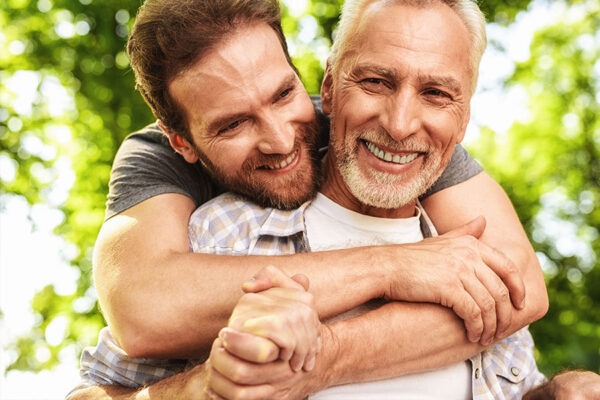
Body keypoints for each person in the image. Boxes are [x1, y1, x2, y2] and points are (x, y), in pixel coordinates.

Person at [68, 0, 554, 398]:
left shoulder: (453, 233)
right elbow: (141, 312)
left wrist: (554, 392)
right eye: (233, 124)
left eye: (283, 95)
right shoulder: (210, 225)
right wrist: (392, 266)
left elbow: (522, 291)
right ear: (182, 142)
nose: (280, 141)